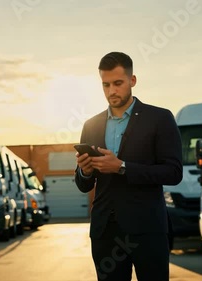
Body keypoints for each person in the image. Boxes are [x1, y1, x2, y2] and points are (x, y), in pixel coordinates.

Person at [74, 51, 183, 281]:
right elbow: (84, 185)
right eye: (105, 85)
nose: (111, 91)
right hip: (105, 232)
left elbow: (173, 172)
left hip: (147, 230)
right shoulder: (91, 125)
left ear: (132, 81)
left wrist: (122, 166)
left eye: (118, 83)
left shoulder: (160, 119)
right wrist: (85, 171)